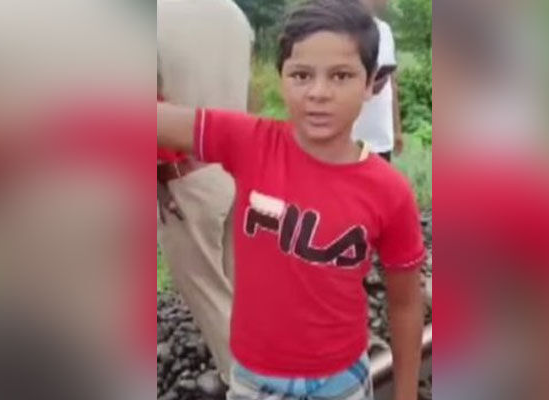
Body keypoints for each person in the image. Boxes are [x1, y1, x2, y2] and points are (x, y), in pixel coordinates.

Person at [158, 0, 426, 399]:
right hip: (252, 383)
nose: (318, 92)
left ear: (373, 82)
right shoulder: (251, 142)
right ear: (281, 77)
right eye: (301, 75)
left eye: (341, 76)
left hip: (341, 382)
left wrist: (405, 394)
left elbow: (405, 304)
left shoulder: (391, 192)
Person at [157, 0, 254, 385]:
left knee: (211, 297)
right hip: (236, 167)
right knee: (240, 291)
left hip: (185, 180)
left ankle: (250, 386)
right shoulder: (232, 12)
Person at [352, 0, 403, 162]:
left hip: (381, 136)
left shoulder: (385, 30)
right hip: (352, 137)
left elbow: (392, 82)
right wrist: (368, 86)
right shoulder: (343, 31)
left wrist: (396, 129)